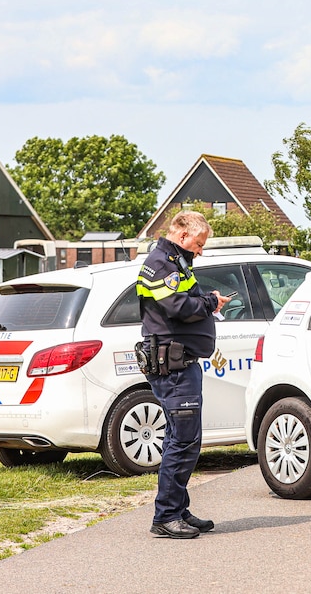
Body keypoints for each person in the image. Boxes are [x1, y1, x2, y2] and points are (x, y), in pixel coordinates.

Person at [136, 211, 231, 539]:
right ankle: (166, 516)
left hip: (180, 363)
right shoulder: (161, 263)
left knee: (183, 440)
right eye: (199, 243)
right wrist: (210, 302)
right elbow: (178, 306)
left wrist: (207, 301)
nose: (201, 251)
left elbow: (185, 300)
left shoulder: (175, 262)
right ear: (182, 235)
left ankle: (177, 509)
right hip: (173, 367)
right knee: (183, 440)